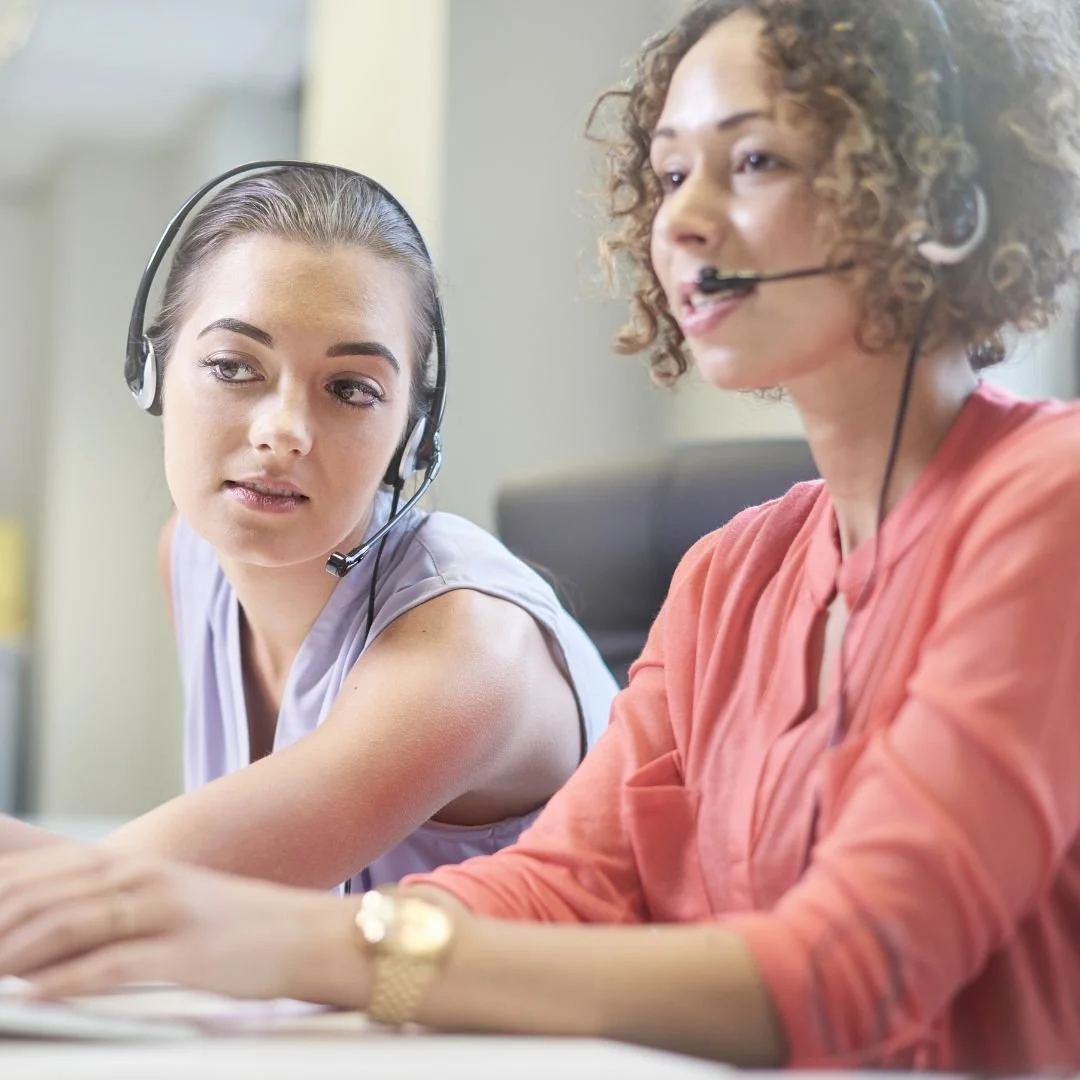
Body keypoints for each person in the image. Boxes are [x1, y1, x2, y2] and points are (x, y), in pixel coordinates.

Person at [1, 0, 1079, 1070]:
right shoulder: (732, 576)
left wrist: (291, 938)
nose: (684, 221)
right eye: (667, 175)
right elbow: (565, 889)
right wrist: (319, 954)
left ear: (939, 194)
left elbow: (849, 972)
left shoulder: (1051, 500)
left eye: (750, 161)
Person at [0, 163, 617, 891]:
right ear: (154, 372)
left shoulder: (468, 652)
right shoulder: (193, 554)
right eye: (234, 366)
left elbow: (115, 899)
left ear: (412, 438)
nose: (284, 431)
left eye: (350, 389)